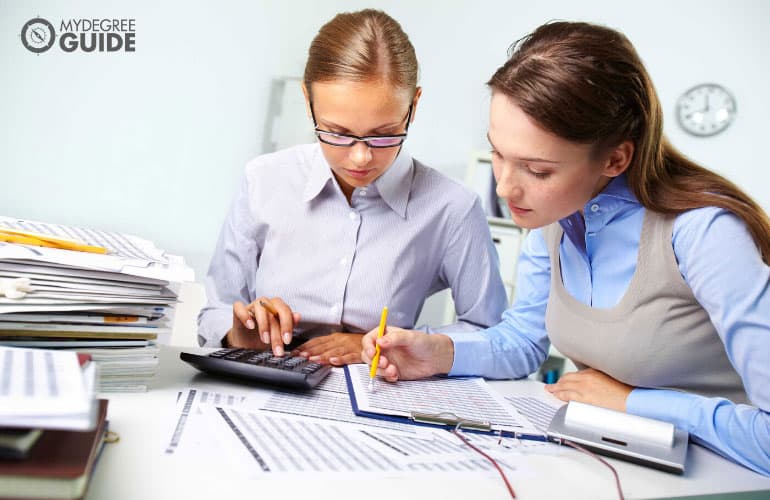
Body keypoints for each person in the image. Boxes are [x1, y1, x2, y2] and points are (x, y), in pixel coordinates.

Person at [362, 21, 770, 475]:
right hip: (618, 466)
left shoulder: (705, 233)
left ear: (616, 158)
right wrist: (438, 353)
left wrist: (634, 402)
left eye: (537, 170)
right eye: (498, 153)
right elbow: (522, 340)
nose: (505, 187)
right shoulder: (554, 220)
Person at [197, 9, 508, 366]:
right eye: (338, 133)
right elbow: (214, 311)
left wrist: (389, 344)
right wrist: (240, 333)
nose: (360, 157)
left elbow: (491, 334)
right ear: (307, 98)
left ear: (414, 105)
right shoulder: (263, 179)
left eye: (384, 134)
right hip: (264, 381)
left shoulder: (453, 207)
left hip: (378, 393)